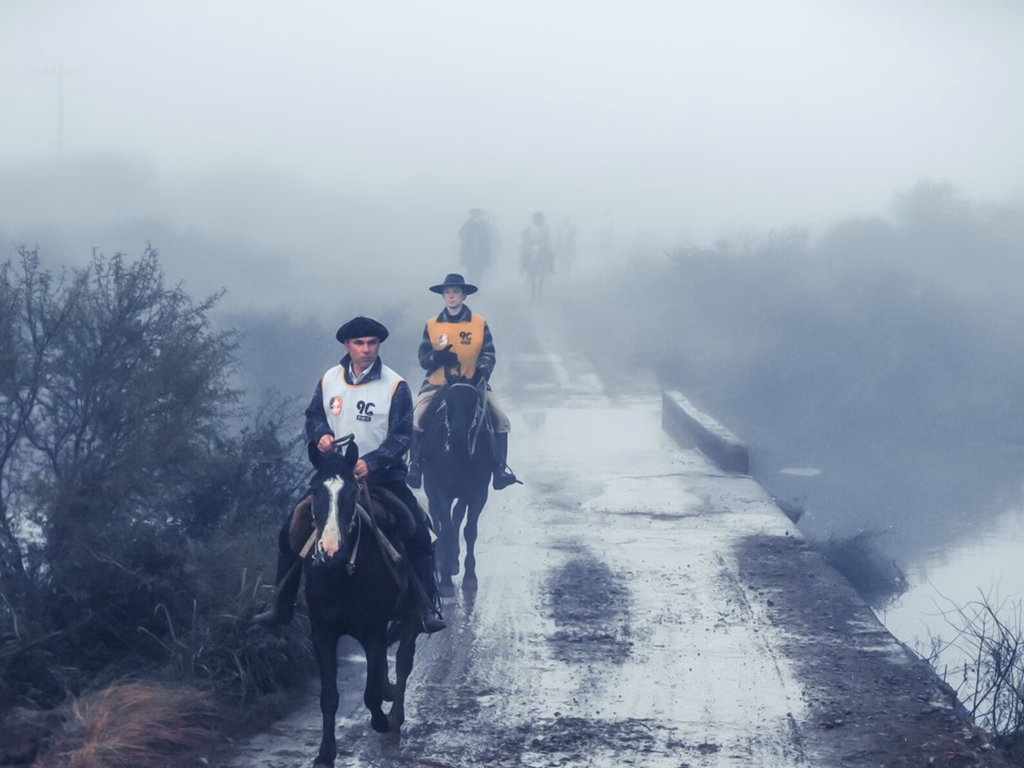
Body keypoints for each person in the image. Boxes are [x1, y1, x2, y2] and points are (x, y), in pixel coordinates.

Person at [253, 316, 446, 634]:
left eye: (372, 343)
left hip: (383, 478)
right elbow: (314, 415)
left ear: (378, 346)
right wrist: (320, 436)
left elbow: (401, 436)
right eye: (359, 344)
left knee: (420, 534)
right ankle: (281, 607)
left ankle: (425, 608)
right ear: (347, 346)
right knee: (290, 530)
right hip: (336, 478)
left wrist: (372, 461)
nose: (366, 349)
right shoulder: (329, 379)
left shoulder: (396, 386)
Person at [406, 274, 520, 491]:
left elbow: (488, 353)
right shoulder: (432, 324)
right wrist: (438, 358)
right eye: (447, 292)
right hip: (438, 384)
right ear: (443, 296)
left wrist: (483, 369)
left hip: (473, 384)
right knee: (417, 418)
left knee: (501, 419)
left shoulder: (479, 323)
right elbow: (423, 358)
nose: (451, 296)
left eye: (456, 292)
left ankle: (500, 470)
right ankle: (415, 466)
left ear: (464, 295)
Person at [459, 208, 493, 281]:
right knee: (470, 272)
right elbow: (461, 233)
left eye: (476, 212)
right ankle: (470, 288)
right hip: (469, 252)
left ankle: (477, 288)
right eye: (473, 212)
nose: (474, 214)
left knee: (479, 273)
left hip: (480, 252)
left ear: (479, 214)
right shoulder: (467, 223)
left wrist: (487, 255)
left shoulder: (483, 224)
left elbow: (486, 239)